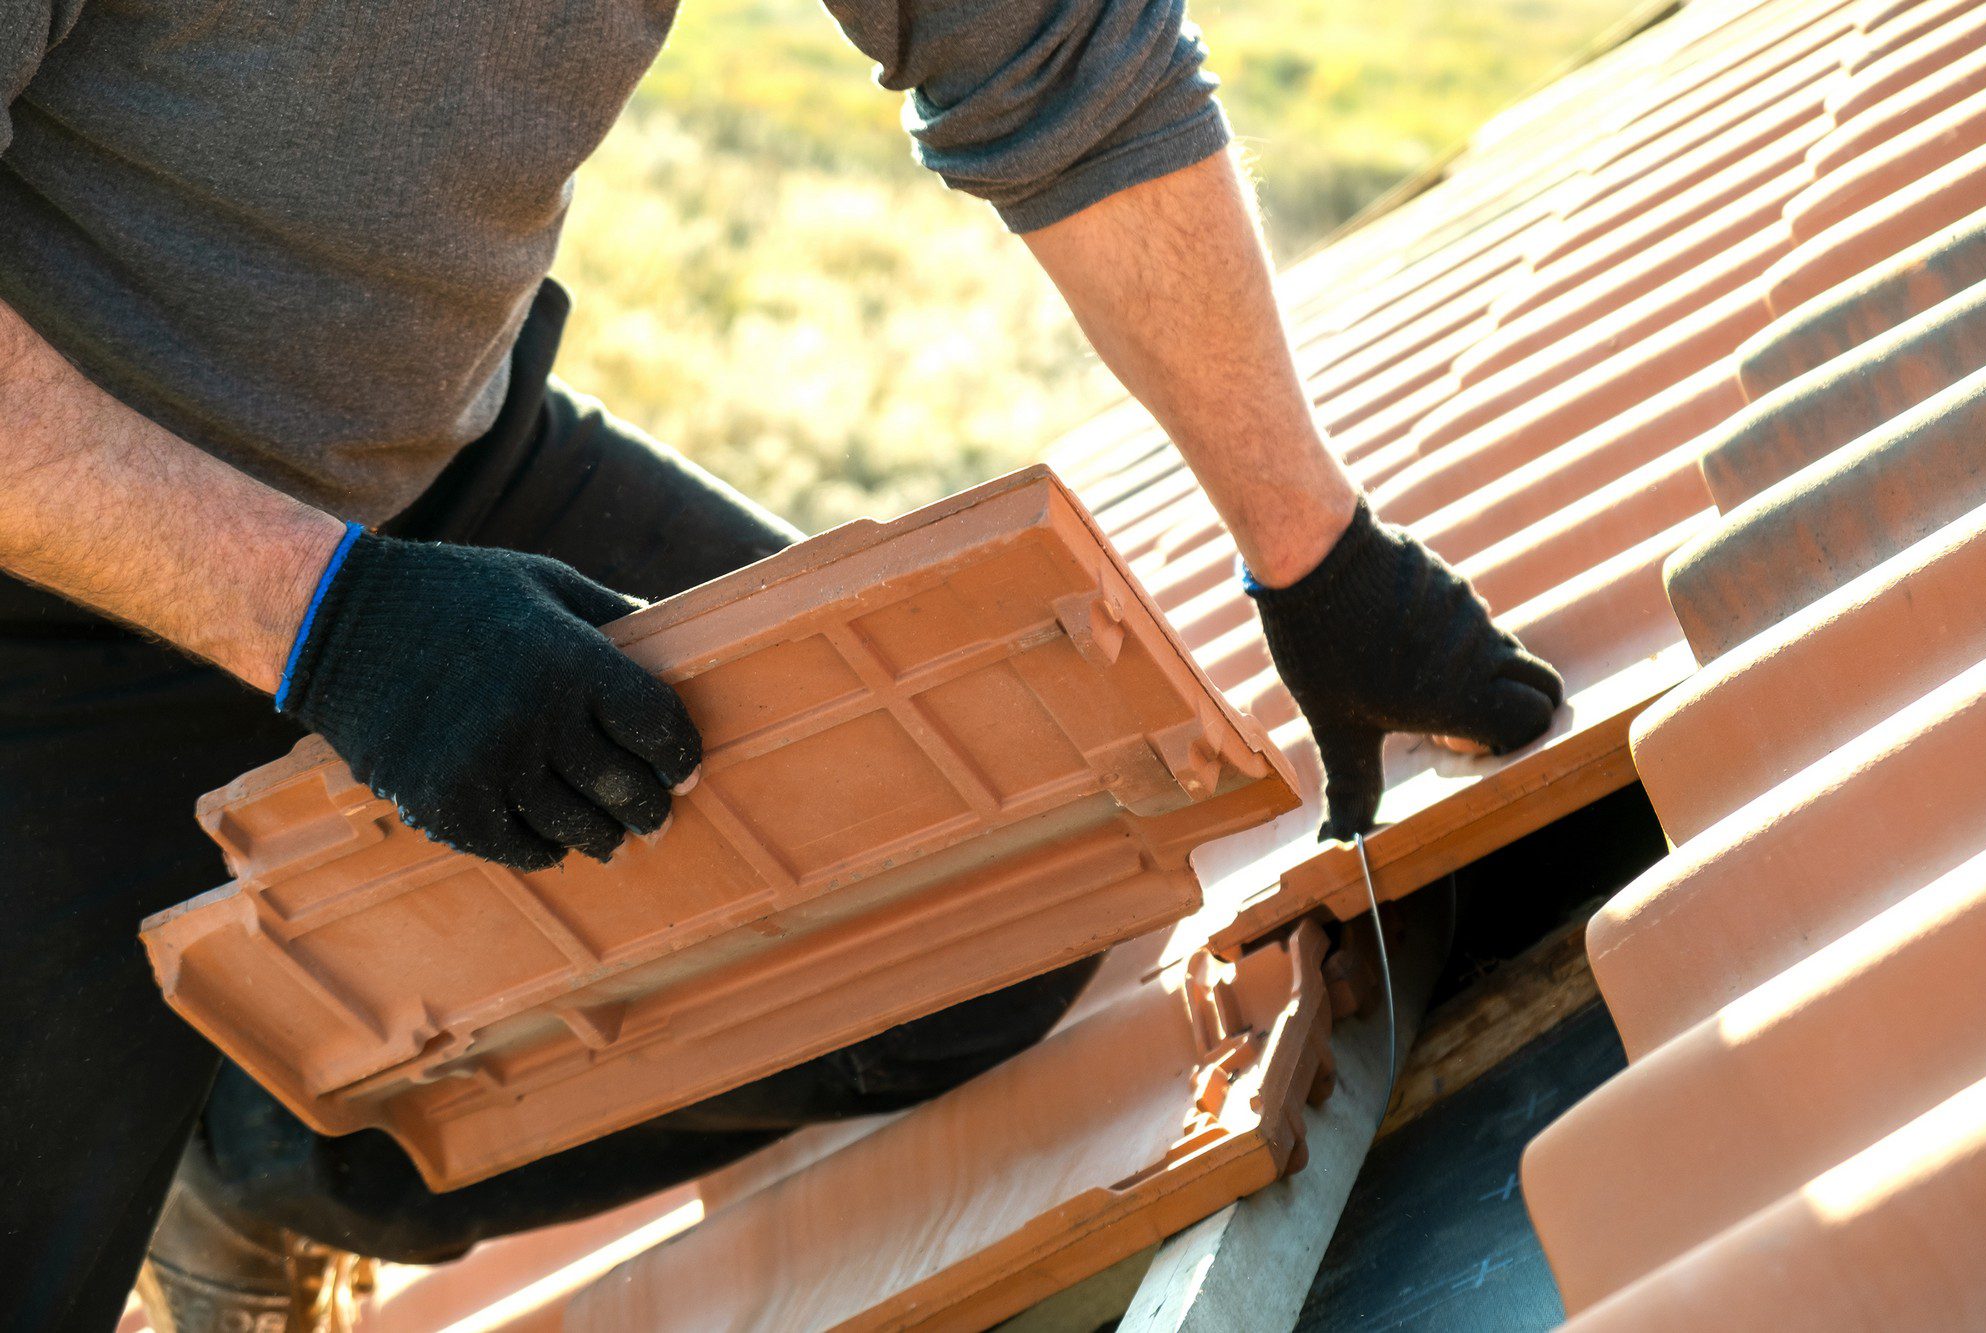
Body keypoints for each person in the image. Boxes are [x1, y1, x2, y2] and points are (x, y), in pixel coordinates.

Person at [0, 0, 1563, 1327]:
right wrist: (327, 617)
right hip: (37, 582)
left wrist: (1316, 549)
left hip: (428, 472)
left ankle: (265, 1153)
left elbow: (1058, 55)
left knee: (973, 908)